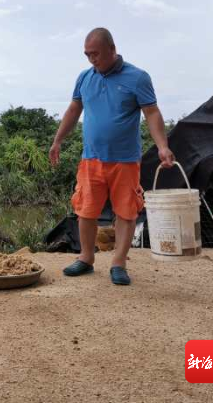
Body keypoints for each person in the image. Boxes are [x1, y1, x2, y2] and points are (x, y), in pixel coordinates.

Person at [49, 27, 174, 285]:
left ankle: (118, 263)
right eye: (87, 55)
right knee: (86, 210)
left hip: (125, 161)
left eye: (95, 54)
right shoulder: (85, 78)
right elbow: (74, 109)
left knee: (126, 213)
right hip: (91, 158)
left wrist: (162, 145)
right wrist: (57, 140)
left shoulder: (137, 78)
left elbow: (151, 113)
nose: (91, 59)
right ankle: (86, 258)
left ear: (112, 49)